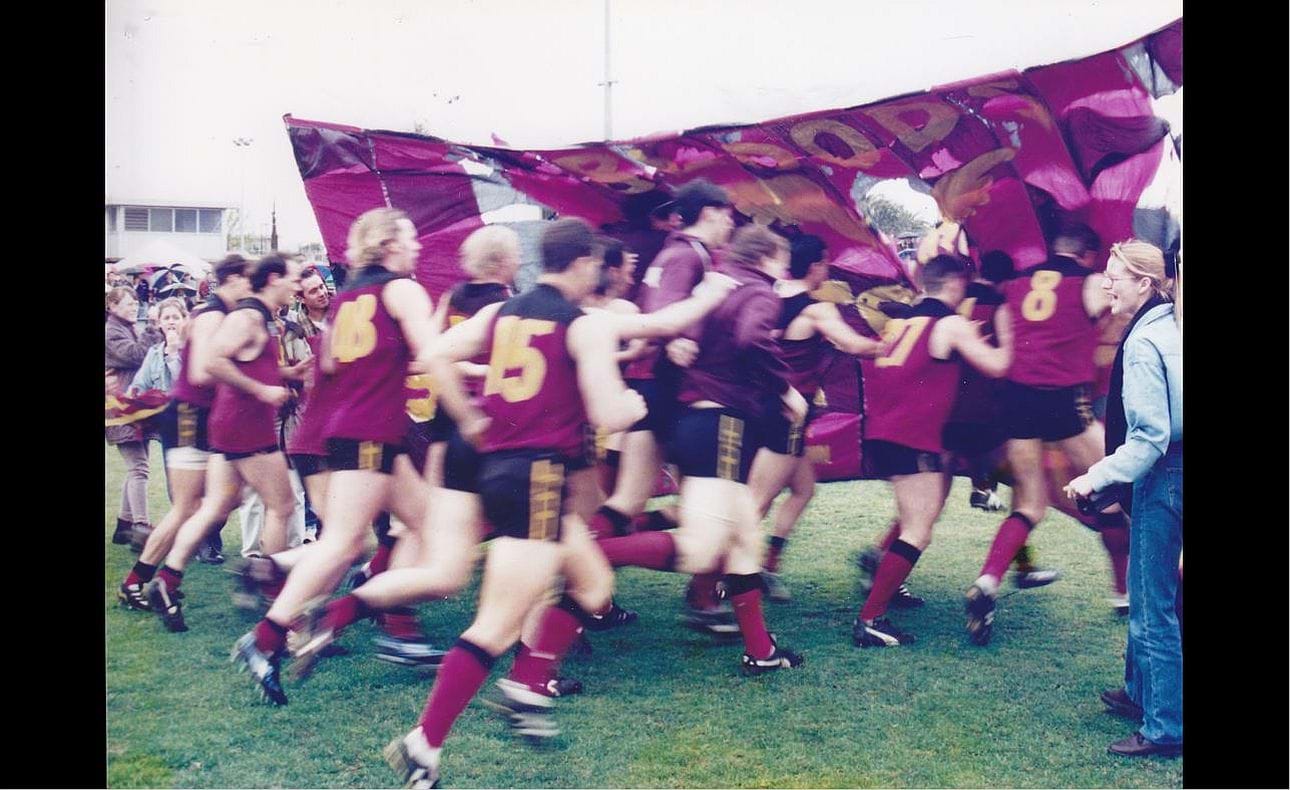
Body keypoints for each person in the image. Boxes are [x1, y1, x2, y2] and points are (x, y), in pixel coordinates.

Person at [383, 218, 661, 788]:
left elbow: (431, 355)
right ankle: (424, 742)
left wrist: (470, 415)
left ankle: (528, 684)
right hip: (535, 478)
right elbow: (610, 414)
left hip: (514, 471)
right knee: (496, 625)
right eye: (600, 266)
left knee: (594, 587)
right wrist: (632, 405)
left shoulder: (502, 312)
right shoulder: (580, 325)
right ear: (584, 262)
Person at [231, 209, 439, 705]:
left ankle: (394, 626)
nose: (418, 245)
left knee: (425, 527)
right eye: (410, 235)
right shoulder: (399, 289)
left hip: (363, 430)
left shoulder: (346, 299)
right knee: (346, 542)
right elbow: (431, 353)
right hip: (368, 432)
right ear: (388, 243)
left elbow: (329, 368)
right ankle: (267, 637)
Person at [597, 224, 809, 671]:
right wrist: (785, 389)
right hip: (720, 424)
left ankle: (761, 651)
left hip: (691, 417)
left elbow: (678, 329)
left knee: (744, 535)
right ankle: (581, 554)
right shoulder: (758, 291)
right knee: (702, 547)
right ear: (770, 257)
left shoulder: (714, 282)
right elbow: (753, 338)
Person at [965, 224, 1130, 646]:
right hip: (1064, 401)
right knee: (1118, 485)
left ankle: (987, 582)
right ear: (1089, 255)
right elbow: (1122, 312)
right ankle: (1124, 591)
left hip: (1017, 402)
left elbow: (1008, 336)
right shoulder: (1091, 282)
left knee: (1030, 504)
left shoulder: (1017, 285)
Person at [851, 255, 1012, 647]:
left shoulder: (900, 321)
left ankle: (885, 579)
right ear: (956, 283)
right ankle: (871, 617)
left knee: (918, 520)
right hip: (911, 438)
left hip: (883, 433)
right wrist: (1007, 329)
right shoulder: (950, 324)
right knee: (918, 530)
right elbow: (997, 365)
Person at [1064, 240, 1182, 758]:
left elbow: (1152, 437)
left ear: (1145, 284)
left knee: (1153, 607)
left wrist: (1095, 477)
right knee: (1144, 588)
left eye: (1115, 275)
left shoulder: (1143, 342)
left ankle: (1165, 727)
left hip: (1161, 476)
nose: (1106, 283)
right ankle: (1139, 694)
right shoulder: (1166, 326)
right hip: (1167, 474)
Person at [144, 254, 305, 632]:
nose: (296, 286)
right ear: (274, 279)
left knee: (215, 506)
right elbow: (211, 362)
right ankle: (276, 598)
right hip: (245, 427)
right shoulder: (247, 317)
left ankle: (167, 582)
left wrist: (285, 374)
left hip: (230, 426)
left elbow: (245, 361)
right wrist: (263, 391)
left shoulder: (259, 317)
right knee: (282, 505)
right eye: (294, 279)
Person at [748, 233, 885, 602]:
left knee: (803, 490)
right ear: (813, 267)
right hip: (786, 414)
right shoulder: (814, 309)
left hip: (762, 407)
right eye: (825, 262)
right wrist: (902, 344)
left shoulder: (766, 295)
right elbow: (854, 345)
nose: (827, 269)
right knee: (756, 503)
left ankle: (767, 567)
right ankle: (714, 587)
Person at [117, 256, 251, 611]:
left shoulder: (219, 314)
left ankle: (153, 578)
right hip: (191, 416)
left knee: (219, 501)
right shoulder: (212, 315)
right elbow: (204, 372)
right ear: (233, 279)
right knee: (189, 508)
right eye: (248, 280)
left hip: (199, 417)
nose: (252, 288)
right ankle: (142, 581)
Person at [105, 286, 164, 549]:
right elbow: (137, 355)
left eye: (134, 303)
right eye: (128, 303)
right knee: (138, 467)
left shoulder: (123, 328)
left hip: (129, 406)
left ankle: (124, 526)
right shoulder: (112, 331)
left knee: (136, 467)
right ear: (112, 305)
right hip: (119, 408)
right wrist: (152, 327)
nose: (133, 307)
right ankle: (141, 527)